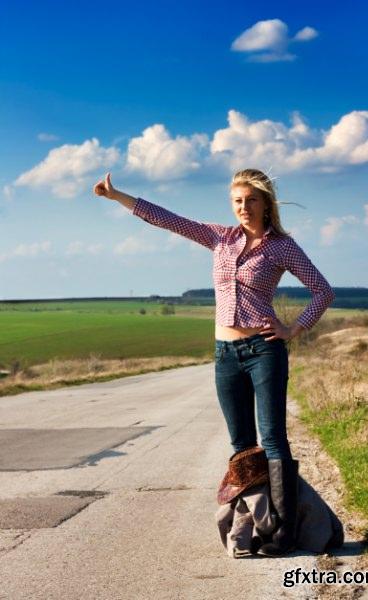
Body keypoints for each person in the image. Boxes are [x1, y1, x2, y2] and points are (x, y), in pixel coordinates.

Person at [93, 168, 335, 556]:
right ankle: (258, 525)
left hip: (264, 351)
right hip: (225, 354)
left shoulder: (282, 247)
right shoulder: (219, 237)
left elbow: (323, 291)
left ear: (266, 203)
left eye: (251, 200)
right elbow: (169, 220)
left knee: (273, 440)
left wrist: (293, 329)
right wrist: (117, 195)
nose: (244, 207)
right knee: (241, 445)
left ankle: (285, 532)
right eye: (237, 201)